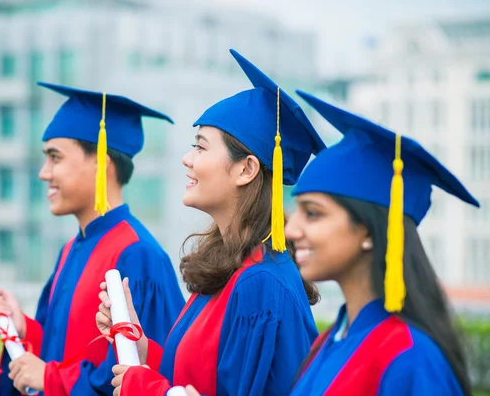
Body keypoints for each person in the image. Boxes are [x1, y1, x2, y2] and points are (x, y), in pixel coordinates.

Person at [97, 49, 327, 396]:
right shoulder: (233, 268)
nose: (187, 159)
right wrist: (140, 346)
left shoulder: (260, 284)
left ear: (245, 169)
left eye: (201, 147)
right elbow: (206, 380)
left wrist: (146, 389)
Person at [0, 83, 185, 396]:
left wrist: (51, 378)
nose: (44, 173)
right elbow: (59, 351)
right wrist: (22, 327)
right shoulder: (70, 250)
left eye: (55, 158)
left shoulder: (137, 254)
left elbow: (146, 375)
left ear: (101, 163)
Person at [286, 90, 478, 395]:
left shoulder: (409, 358)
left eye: (312, 213)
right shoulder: (330, 341)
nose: (291, 230)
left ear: (368, 230)